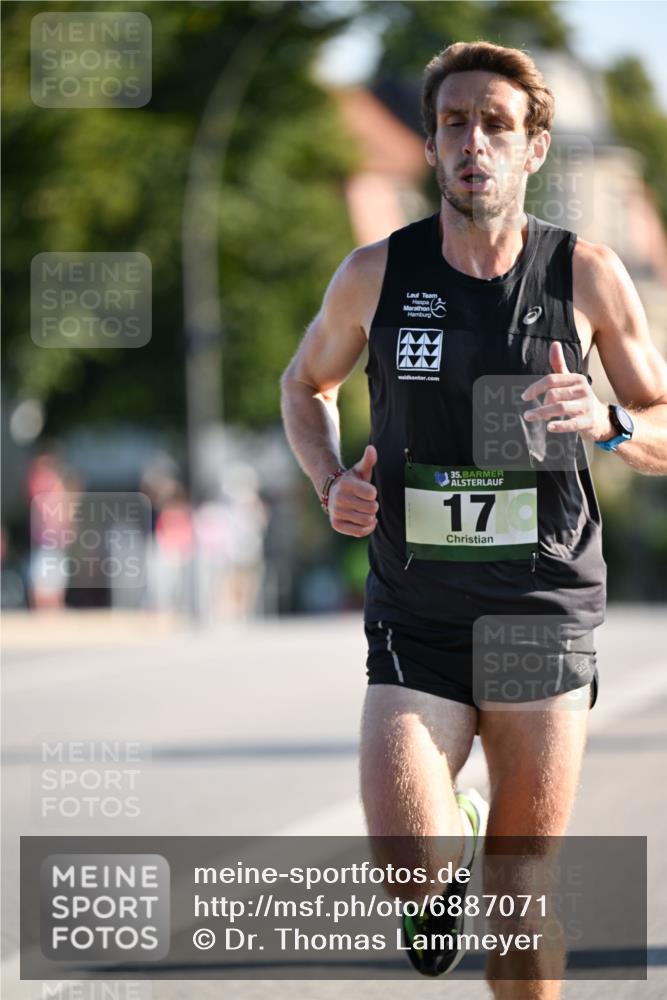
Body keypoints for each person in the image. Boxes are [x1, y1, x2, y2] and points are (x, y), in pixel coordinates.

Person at [280, 40, 667, 996]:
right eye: (455, 122)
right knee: (413, 875)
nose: (473, 143)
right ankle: (446, 823)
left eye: (496, 124)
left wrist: (609, 422)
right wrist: (331, 480)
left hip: (539, 606)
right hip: (418, 605)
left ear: (533, 148)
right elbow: (304, 385)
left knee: (518, 895)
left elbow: (661, 420)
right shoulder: (377, 273)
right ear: (428, 143)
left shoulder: (586, 273)